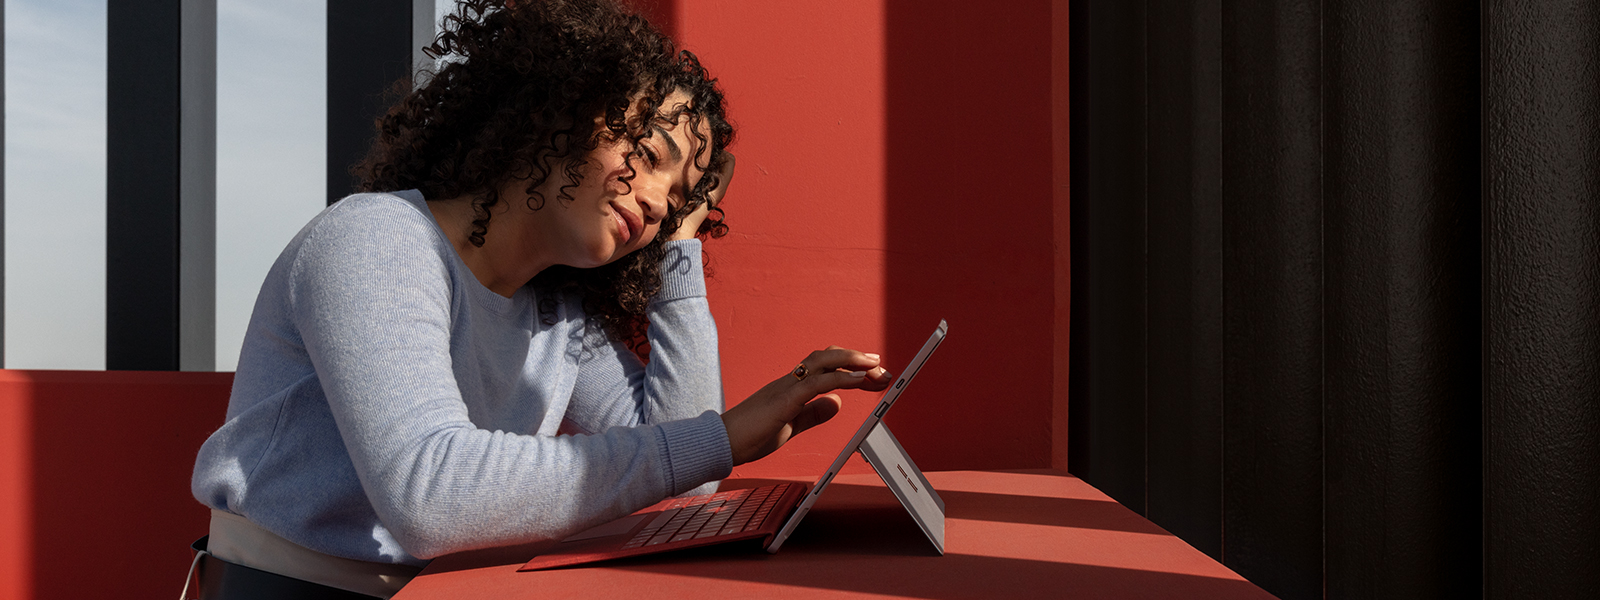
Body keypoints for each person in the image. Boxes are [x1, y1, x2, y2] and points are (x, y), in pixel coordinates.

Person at [187, 1, 891, 598]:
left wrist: (680, 246)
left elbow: (684, 474)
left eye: (678, 198)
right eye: (649, 156)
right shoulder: (377, 239)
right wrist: (723, 440)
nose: (656, 201)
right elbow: (430, 495)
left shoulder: (554, 311)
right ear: (559, 111)